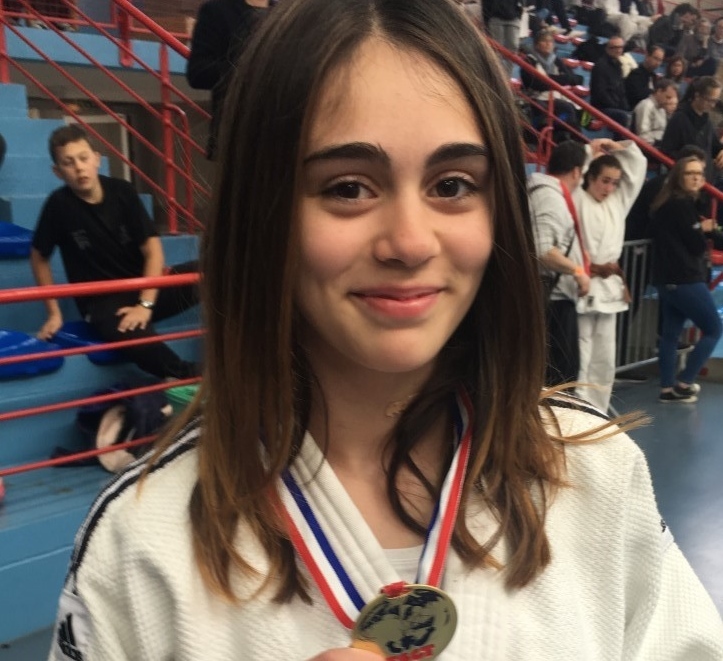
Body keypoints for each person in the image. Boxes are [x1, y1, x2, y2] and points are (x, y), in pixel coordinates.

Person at [47, 1, 723, 659]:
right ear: (262, 212)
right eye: (347, 187)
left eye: (452, 185)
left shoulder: (597, 474)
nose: (409, 241)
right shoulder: (141, 541)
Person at [31, 125, 200, 381]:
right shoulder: (58, 206)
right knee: (130, 333)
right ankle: (190, 374)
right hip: (103, 304)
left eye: (83, 158)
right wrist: (54, 313)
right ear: (58, 172)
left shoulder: (123, 192)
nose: (79, 168)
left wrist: (144, 304)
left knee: (210, 271)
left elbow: (153, 251)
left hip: (144, 290)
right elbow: (38, 256)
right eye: (68, 162)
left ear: (97, 160)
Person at [574, 138, 647, 412]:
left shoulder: (618, 202)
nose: (609, 188)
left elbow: (637, 169)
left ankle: (598, 412)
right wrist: (588, 152)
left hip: (609, 287)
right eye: (604, 181)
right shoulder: (576, 199)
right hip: (582, 283)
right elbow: (573, 177)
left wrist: (622, 147)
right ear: (590, 177)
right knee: (581, 355)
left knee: (604, 358)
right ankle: (577, 412)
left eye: (614, 182)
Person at [648, 154, 723, 402]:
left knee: (670, 335)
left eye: (699, 174)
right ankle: (685, 382)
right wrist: (704, 230)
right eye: (690, 173)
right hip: (684, 278)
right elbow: (696, 245)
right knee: (714, 329)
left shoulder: (666, 202)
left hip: (667, 279)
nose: (696, 178)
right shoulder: (681, 205)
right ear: (679, 176)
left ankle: (667, 389)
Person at [528, 141, 591, 386]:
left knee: (560, 374)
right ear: (576, 171)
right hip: (553, 299)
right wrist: (577, 271)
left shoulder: (547, 193)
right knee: (561, 377)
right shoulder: (549, 197)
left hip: (552, 296)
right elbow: (542, 250)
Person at [186, 0, 271, 159]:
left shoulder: (286, 13)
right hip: (236, 137)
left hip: (283, 134)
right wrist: (248, 70)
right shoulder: (216, 10)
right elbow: (198, 73)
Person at [520, 29, 584, 143]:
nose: (548, 44)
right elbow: (535, 83)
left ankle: (568, 139)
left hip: (556, 98)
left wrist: (547, 78)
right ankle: (580, 143)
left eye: (550, 41)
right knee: (567, 110)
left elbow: (570, 78)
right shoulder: (529, 60)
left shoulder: (556, 60)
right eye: (544, 41)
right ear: (536, 44)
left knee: (581, 112)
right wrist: (558, 80)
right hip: (538, 100)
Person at [660, 76, 723, 181]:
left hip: (704, 179)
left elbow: (714, 146)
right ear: (697, 96)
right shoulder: (680, 118)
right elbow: (667, 151)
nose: (713, 105)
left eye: (715, 101)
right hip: (684, 180)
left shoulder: (706, 121)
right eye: (709, 100)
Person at [590, 35, 632, 129]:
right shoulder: (600, 66)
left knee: (632, 115)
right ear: (608, 49)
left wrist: (625, 107)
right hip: (601, 108)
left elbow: (621, 91)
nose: (619, 50)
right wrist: (616, 106)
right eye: (615, 47)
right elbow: (600, 93)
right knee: (623, 117)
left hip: (615, 107)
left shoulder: (618, 66)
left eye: (621, 47)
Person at [632, 77, 678, 145]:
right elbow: (643, 135)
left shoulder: (662, 108)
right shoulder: (646, 106)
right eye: (668, 97)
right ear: (659, 92)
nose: (669, 101)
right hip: (650, 146)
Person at [483, 0, 523, 76]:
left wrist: (518, 14)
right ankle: (498, 75)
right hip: (496, 17)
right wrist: (487, 20)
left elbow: (522, 3)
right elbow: (486, 3)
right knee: (497, 49)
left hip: (513, 18)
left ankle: (508, 76)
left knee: (513, 47)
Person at [625, 44, 664, 110]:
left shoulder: (654, 77)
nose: (658, 63)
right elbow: (638, 95)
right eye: (655, 58)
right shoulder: (636, 74)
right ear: (647, 56)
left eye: (660, 60)